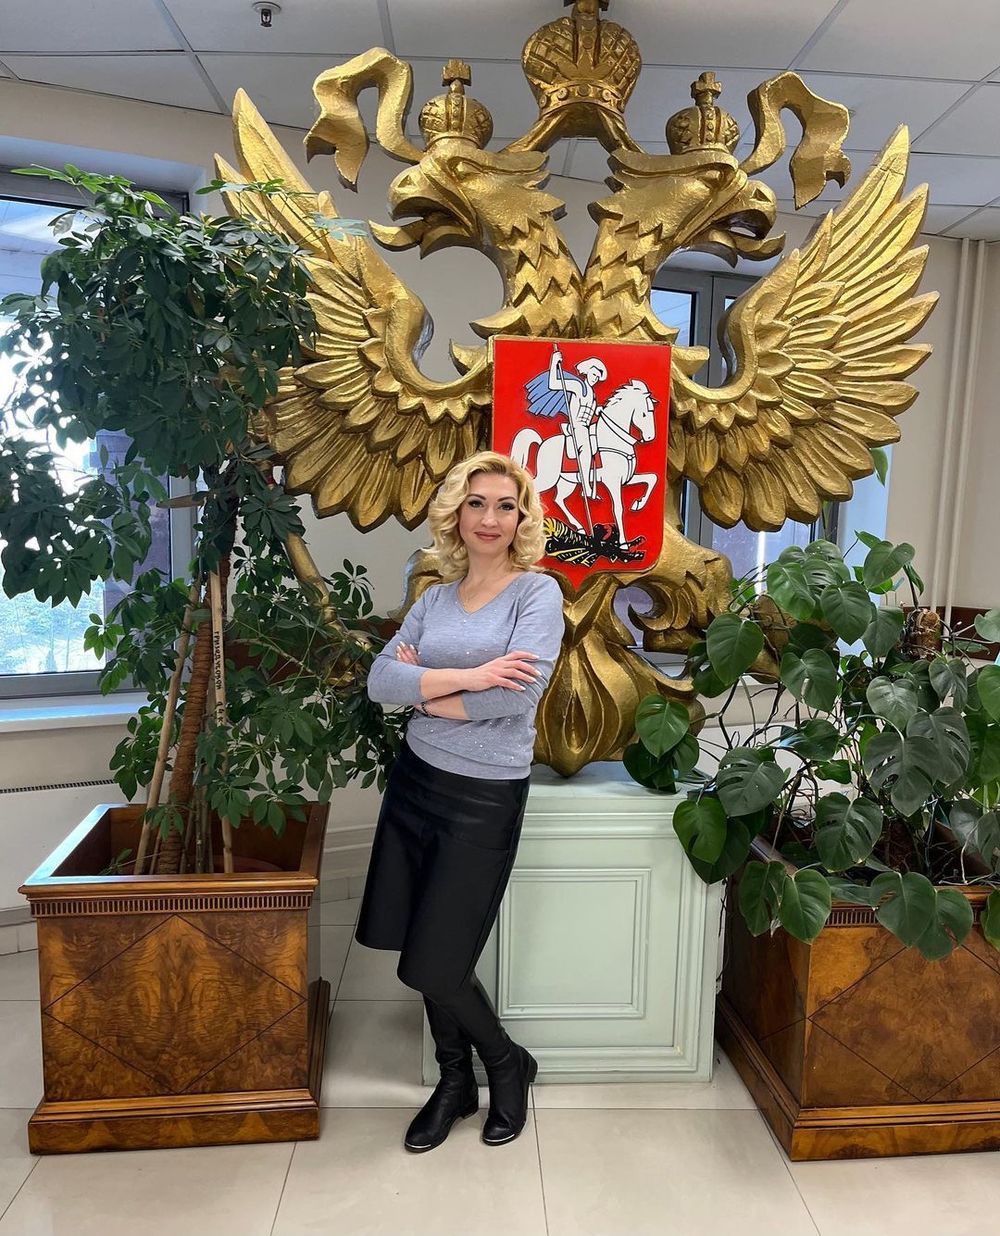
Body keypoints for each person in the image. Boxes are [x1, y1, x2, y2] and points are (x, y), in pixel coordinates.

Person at [357, 450, 565, 1153]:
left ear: (522, 519)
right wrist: (472, 676)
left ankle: (505, 1063)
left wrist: (426, 691)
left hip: (484, 796)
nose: (490, 518)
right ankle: (455, 1083)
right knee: (419, 943)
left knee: (437, 962)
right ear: (456, 513)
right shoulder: (435, 599)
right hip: (416, 784)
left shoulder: (536, 595)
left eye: (506, 505)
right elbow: (379, 683)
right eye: (477, 503)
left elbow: (519, 696)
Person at [547, 347, 607, 499]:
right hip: (577, 427)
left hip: (586, 427)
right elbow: (553, 384)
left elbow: (588, 411)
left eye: (597, 377)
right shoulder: (578, 386)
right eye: (593, 374)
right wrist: (554, 362)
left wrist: (597, 410)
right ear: (587, 372)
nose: (595, 378)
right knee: (586, 450)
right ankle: (586, 488)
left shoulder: (593, 393)